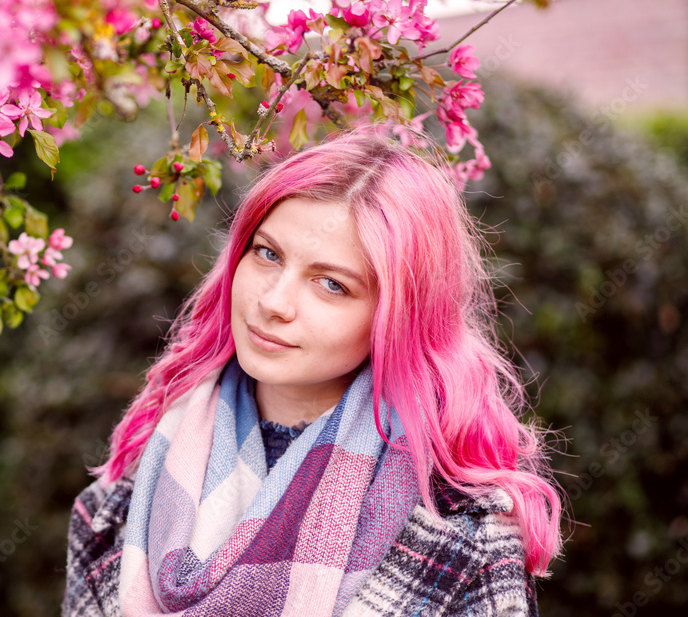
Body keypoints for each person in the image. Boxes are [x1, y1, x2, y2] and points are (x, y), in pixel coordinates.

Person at [63, 128, 563, 616]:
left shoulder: (462, 535)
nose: (274, 302)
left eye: (330, 284)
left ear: (397, 316)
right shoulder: (119, 506)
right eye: (267, 254)